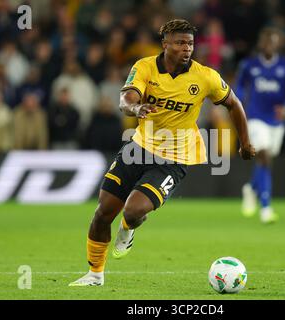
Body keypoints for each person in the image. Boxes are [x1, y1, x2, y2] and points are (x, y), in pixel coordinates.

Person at [69, 19, 255, 287]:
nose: (186, 48)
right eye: (180, 43)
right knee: (102, 212)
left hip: (174, 158)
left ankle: (128, 229)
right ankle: (95, 275)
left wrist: (244, 143)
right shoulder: (144, 66)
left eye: (190, 43)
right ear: (165, 43)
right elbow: (127, 98)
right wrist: (136, 109)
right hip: (138, 149)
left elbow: (234, 104)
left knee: (132, 211)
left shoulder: (205, 76)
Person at [236, 27, 285, 223]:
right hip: (256, 118)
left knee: (266, 161)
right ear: (261, 44)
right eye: (266, 41)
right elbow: (239, 87)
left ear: (278, 44)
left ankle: (251, 188)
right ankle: (266, 208)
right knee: (264, 156)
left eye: (273, 41)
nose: (269, 45)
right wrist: (242, 104)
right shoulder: (249, 65)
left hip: (277, 121)